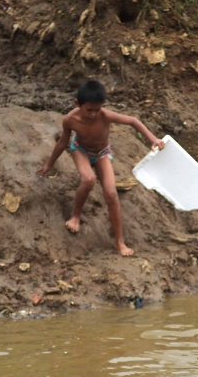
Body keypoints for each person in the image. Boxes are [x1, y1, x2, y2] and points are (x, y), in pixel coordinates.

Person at [37, 80, 165, 256]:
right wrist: (49, 164)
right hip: (80, 150)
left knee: (111, 194)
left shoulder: (105, 115)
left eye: (97, 109)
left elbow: (133, 121)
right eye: (89, 110)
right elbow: (63, 142)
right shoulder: (70, 120)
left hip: (102, 153)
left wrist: (153, 139)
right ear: (77, 104)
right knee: (88, 180)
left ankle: (119, 242)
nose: (93, 114)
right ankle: (75, 216)